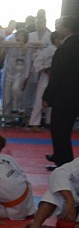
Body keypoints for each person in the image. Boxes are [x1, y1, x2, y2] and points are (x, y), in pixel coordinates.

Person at [43, 16, 79, 170]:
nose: (57, 29)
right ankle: (60, 156)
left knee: (60, 129)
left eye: (59, 26)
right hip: (74, 94)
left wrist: (48, 96)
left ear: (66, 28)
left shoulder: (66, 47)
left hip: (65, 95)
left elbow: (57, 74)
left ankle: (63, 163)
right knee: (64, 129)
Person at [22, 157, 79, 228]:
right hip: (71, 201)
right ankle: (35, 226)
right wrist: (70, 201)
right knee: (55, 193)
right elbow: (59, 173)